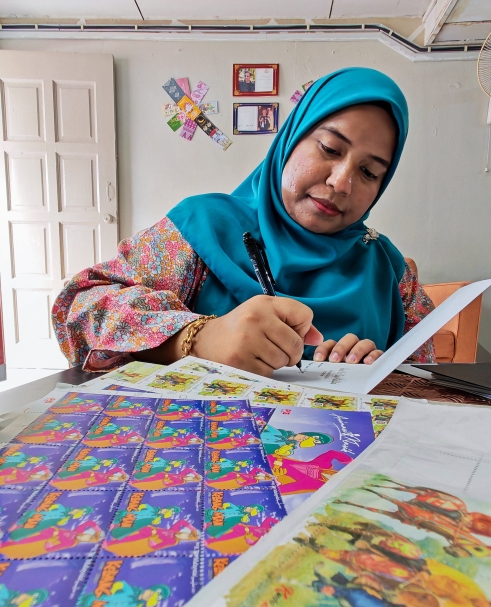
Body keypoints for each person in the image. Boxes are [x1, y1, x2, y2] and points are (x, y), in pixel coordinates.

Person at [53, 67, 435, 376]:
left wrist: (375, 368)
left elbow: (429, 375)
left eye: (369, 172)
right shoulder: (203, 230)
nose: (341, 182)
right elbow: (77, 310)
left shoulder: (390, 271)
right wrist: (197, 338)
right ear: (291, 139)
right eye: (330, 149)